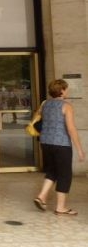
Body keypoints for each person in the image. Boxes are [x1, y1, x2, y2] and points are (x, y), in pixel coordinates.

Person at [33, 79, 85, 215]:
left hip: (45, 143)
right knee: (65, 175)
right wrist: (80, 149)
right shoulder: (66, 106)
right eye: (66, 89)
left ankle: (41, 196)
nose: (67, 91)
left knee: (52, 171)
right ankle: (60, 207)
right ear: (61, 90)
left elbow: (38, 119)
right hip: (61, 144)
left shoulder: (45, 104)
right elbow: (71, 129)